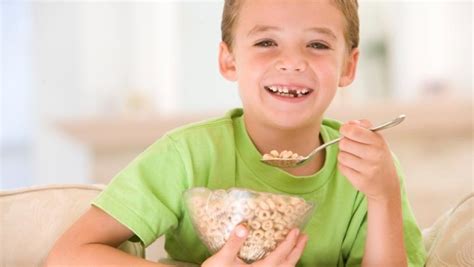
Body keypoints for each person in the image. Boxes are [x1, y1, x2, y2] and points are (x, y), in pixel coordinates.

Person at [46, 0, 426, 266]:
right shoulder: (189, 155)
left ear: (348, 65)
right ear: (228, 60)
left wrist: (383, 197)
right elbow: (68, 256)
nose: (292, 61)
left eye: (317, 44)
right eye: (266, 42)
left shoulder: (368, 169)